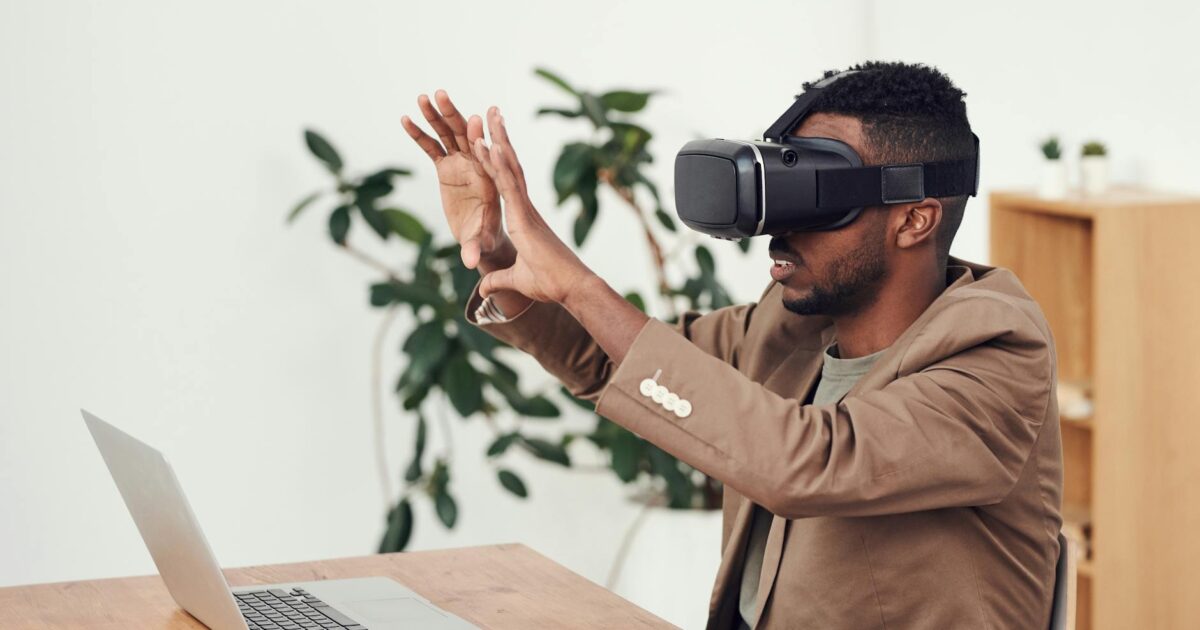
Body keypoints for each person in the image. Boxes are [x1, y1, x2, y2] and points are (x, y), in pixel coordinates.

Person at [401, 61, 1063, 630]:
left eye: (817, 194)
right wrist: (503, 258)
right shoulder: (791, 328)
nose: (777, 231)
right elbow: (621, 364)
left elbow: (811, 462)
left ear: (914, 219)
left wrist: (577, 283)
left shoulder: (995, 351)